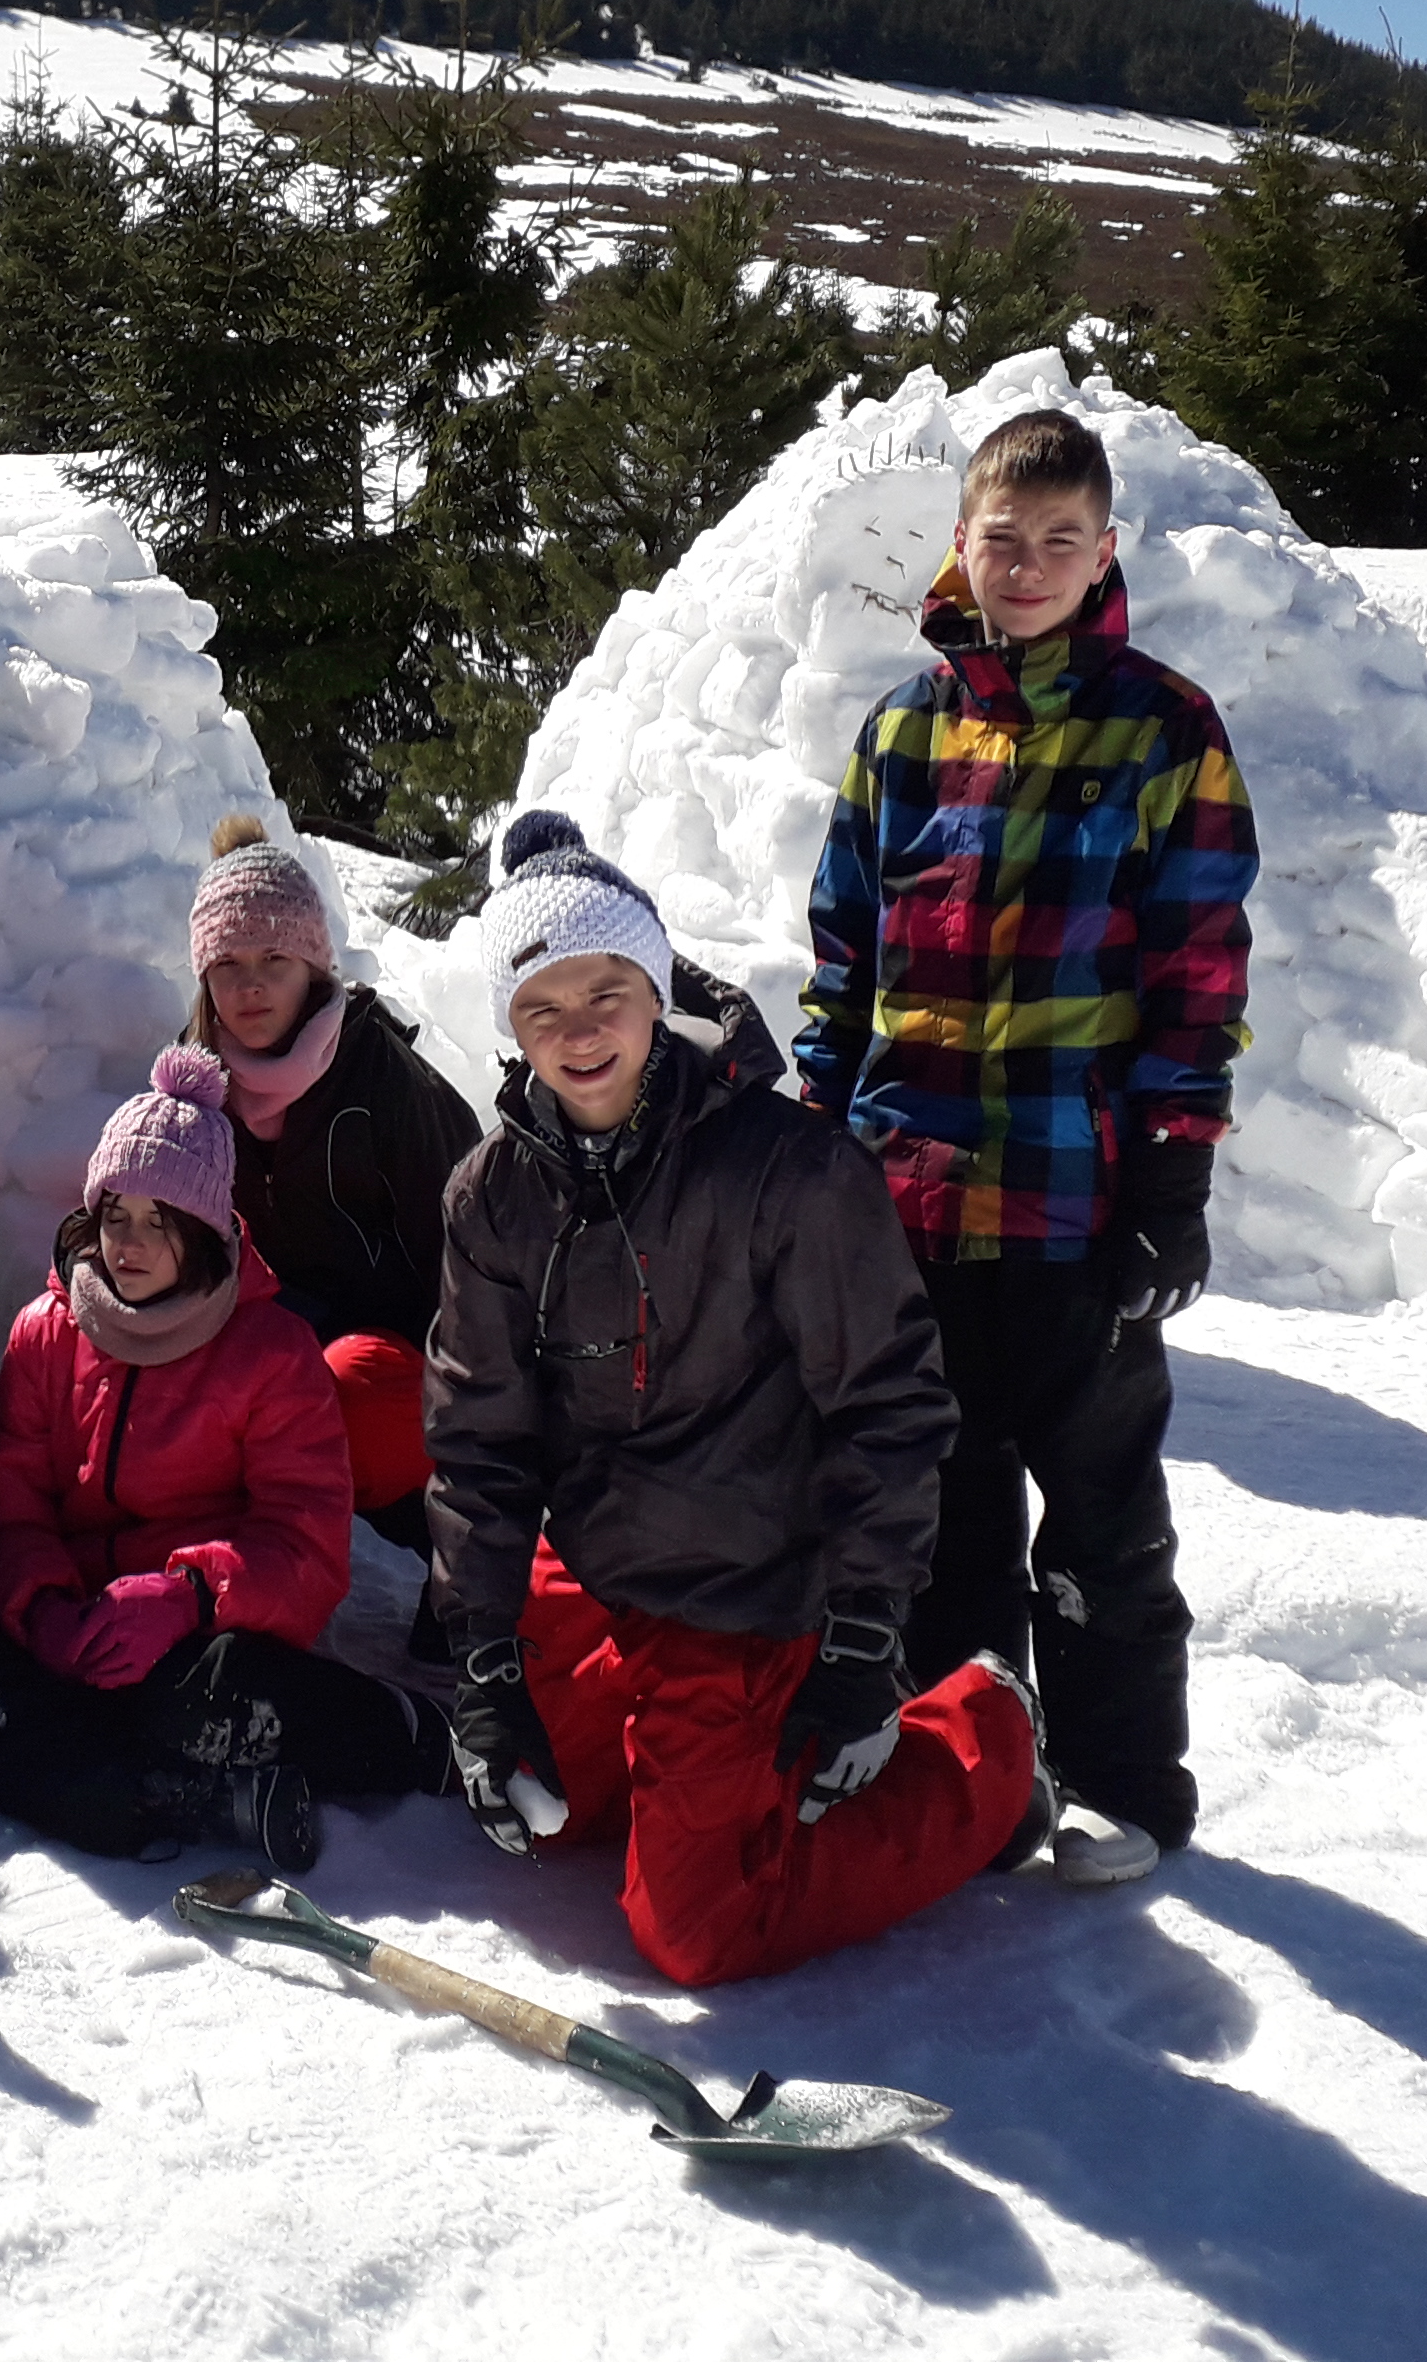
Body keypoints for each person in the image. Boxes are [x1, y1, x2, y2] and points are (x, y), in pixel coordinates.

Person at [430, 810, 1038, 1990]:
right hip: (602, 1565)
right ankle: (645, 1733)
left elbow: (890, 1409)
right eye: (540, 1008)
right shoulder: (491, 1193)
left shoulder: (791, 1170)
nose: (579, 1032)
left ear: (657, 990)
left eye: (606, 990)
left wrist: (864, 1637)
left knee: (689, 1931)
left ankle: (987, 1737)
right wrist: (484, 1667)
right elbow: (479, 1439)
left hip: (749, 1584)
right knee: (541, 1799)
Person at [794, 406, 1255, 1889]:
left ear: (1106, 549)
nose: (1033, 563)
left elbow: (1199, 963)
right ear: (963, 547)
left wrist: (1174, 1172)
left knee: (1101, 1519)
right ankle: (973, 1775)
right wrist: (817, 1137)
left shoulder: (1166, 726)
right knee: (940, 1512)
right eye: (1007, 537)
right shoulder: (904, 728)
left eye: (1065, 540)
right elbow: (844, 958)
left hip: (1076, 1202)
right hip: (907, 1202)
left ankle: (1125, 1782)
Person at [0, 1047, 446, 1872]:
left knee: (199, 1698)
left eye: (157, 1221)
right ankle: (197, 1799)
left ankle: (393, 1728)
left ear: (202, 1231)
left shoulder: (269, 1351)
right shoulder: (45, 1334)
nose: (127, 1244)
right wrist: (44, 1608)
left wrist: (188, 1594)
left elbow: (306, 1546)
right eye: (115, 1214)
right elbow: (15, 1508)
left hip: (206, 1633)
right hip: (81, 1625)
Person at [179, 818, 480, 1653]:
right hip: (272, 1337)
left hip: (398, 1354)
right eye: (228, 967)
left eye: (273, 961)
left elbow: (469, 1270)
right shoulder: (195, 1084)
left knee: (336, 1399)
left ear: (314, 966)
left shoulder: (382, 1082)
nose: (251, 987)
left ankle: (461, 1573)